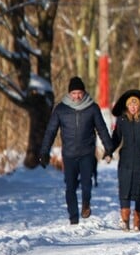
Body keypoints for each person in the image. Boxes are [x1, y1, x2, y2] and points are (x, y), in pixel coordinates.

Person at [39, 76, 115, 225]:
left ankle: (86, 203)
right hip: (69, 154)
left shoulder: (92, 108)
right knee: (70, 186)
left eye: (79, 93)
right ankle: (73, 217)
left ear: (84, 92)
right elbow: (50, 131)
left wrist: (109, 148)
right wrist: (44, 152)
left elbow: (101, 129)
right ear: (69, 94)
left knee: (87, 184)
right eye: (73, 93)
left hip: (87, 153)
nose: (77, 96)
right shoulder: (60, 109)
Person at [111, 89, 140, 232]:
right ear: (126, 106)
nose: (133, 107)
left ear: (139, 106)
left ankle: (137, 223)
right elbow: (116, 138)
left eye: (135, 105)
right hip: (125, 160)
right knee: (124, 190)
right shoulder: (121, 120)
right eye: (130, 105)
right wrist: (109, 151)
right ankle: (125, 221)